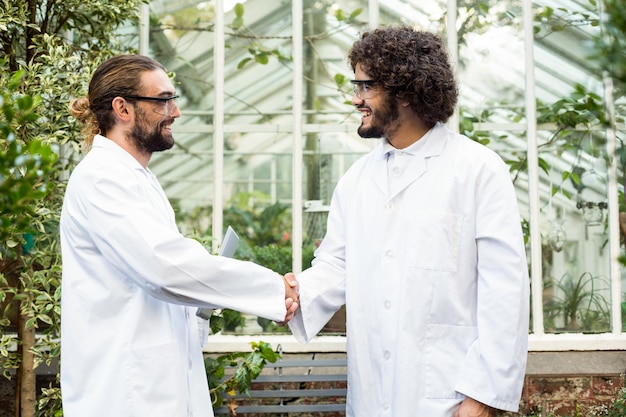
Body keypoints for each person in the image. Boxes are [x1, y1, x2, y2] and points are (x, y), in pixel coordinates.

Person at [288, 26, 529, 417]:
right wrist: (292, 292)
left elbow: (505, 293)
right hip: (371, 396)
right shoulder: (356, 181)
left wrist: (482, 398)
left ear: (404, 91)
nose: (355, 99)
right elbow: (335, 266)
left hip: (448, 397)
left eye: (365, 87)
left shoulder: (478, 170)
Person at [60, 54, 299, 417]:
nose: (176, 112)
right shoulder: (102, 178)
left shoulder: (134, 177)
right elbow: (165, 268)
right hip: (124, 393)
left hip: (154, 385)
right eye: (163, 100)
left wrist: (201, 310)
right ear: (122, 108)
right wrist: (272, 290)